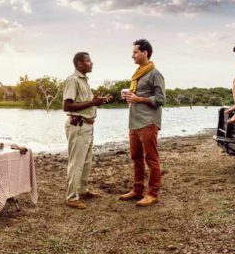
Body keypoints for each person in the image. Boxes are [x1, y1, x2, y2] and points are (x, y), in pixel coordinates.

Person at [61, 52, 112, 209]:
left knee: (86, 162)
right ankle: (71, 197)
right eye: (88, 61)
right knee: (76, 162)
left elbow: (86, 103)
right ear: (79, 64)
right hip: (78, 126)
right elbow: (67, 106)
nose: (92, 63)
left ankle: (82, 190)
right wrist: (92, 102)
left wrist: (98, 102)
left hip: (87, 126)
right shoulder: (73, 80)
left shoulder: (84, 81)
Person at [119, 39, 165, 207]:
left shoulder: (155, 74)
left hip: (148, 122)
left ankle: (153, 194)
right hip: (134, 121)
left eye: (135, 52)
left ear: (145, 53)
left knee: (151, 159)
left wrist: (138, 98)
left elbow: (161, 99)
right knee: (136, 157)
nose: (132, 55)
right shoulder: (137, 74)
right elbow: (136, 97)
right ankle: (137, 190)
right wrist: (129, 97)